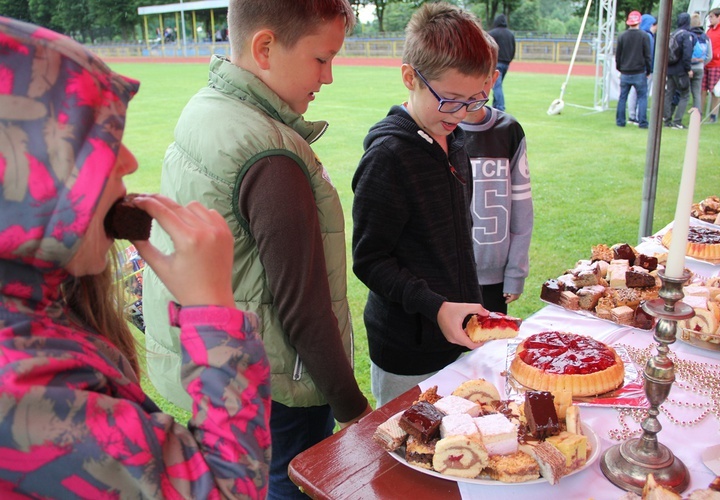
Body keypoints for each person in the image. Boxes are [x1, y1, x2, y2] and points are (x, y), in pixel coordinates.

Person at [0, 16, 272, 498]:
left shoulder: (41, 300)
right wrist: (213, 310)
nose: (126, 161)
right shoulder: (19, 389)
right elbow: (225, 491)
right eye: (91, 147)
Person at [140, 1, 371, 498]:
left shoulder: (207, 104)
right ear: (264, 48)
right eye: (320, 59)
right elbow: (303, 310)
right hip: (280, 391)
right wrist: (354, 410)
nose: (328, 77)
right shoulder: (271, 155)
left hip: (227, 377)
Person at [351, 2, 490, 408]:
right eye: (450, 100)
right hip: (407, 349)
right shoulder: (389, 157)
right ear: (410, 77)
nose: (462, 114)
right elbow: (370, 260)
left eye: (474, 100)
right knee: (411, 450)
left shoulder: (455, 139)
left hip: (460, 332)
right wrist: (436, 307)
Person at [460, 35, 533, 314]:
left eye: (478, 81)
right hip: (449, 275)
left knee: (489, 350)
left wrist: (515, 271)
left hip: (495, 277)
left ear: (492, 80)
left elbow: (522, 210)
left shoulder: (509, 131)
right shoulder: (441, 131)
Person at [616, 11, 652, 128]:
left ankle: (620, 121)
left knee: (623, 97)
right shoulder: (644, 36)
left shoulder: (622, 36)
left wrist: (620, 68)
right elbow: (647, 55)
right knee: (642, 97)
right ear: (639, 22)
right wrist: (649, 70)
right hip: (639, 72)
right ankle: (642, 122)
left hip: (625, 71)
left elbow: (618, 55)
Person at [663, 13, 694, 129]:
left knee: (669, 93)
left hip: (670, 68)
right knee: (685, 94)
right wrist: (688, 69)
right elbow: (687, 54)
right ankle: (677, 121)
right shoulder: (686, 35)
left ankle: (666, 119)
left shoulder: (672, 34)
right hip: (681, 70)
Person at [628, 15, 657, 124]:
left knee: (633, 92)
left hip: (634, 68)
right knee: (642, 94)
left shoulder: (636, 35)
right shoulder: (648, 37)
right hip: (644, 69)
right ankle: (640, 117)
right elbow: (649, 55)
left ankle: (632, 115)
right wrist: (649, 70)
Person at [487, 13, 516, 112]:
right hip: (506, 63)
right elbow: (513, 49)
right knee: (497, 85)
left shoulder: (492, 33)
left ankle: (500, 107)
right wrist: (509, 59)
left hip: (496, 63)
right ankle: (496, 106)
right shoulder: (510, 34)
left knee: (496, 86)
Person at [689, 13, 712, 115]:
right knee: (697, 92)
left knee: (684, 93)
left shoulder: (688, 35)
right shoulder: (706, 37)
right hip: (699, 67)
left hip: (688, 67)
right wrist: (702, 63)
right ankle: (698, 113)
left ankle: (677, 116)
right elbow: (710, 55)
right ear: (699, 23)